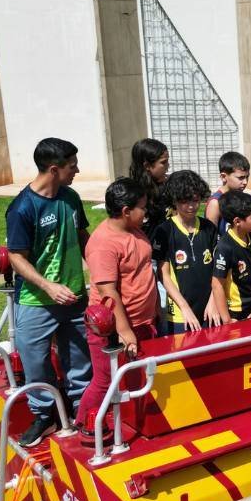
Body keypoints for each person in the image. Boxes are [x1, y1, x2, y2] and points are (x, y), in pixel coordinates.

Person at [6, 138, 92, 447]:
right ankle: (45, 415)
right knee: (36, 363)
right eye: (72, 166)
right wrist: (48, 286)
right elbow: (16, 256)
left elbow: (83, 236)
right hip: (36, 302)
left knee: (81, 361)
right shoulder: (21, 208)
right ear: (54, 169)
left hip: (76, 300)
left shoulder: (70, 198)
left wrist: (96, 271)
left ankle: (83, 412)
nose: (77, 170)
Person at [77, 177, 158, 436]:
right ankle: (86, 427)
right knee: (105, 381)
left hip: (143, 322)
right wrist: (125, 331)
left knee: (135, 378)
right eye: (142, 207)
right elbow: (107, 292)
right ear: (125, 211)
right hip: (112, 329)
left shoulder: (133, 230)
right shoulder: (103, 243)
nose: (146, 212)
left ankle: (131, 422)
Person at [153, 170, 220, 334]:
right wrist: (184, 308)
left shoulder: (208, 228)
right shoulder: (164, 230)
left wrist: (213, 301)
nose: (191, 206)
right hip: (179, 315)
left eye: (195, 200)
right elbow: (164, 275)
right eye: (185, 201)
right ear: (174, 200)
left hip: (210, 311)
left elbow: (218, 269)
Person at [211, 191, 251, 323]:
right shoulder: (225, 248)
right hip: (236, 314)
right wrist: (227, 319)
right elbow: (217, 285)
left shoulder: (250, 235)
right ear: (237, 221)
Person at [128, 138, 170, 238]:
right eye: (163, 162)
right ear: (147, 166)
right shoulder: (134, 195)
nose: (168, 166)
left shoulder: (169, 185)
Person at [205, 151, 250, 235]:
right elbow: (210, 236)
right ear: (223, 177)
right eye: (241, 178)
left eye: (247, 177)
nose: (245, 182)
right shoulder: (215, 203)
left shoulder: (242, 197)